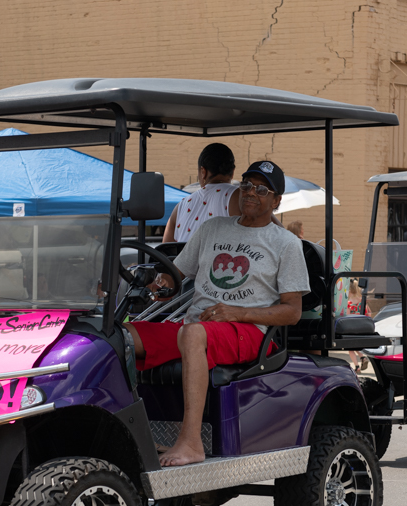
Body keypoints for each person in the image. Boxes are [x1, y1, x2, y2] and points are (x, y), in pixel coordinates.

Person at [130, 160, 309, 467]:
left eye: (262, 190)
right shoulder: (213, 228)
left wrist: (238, 313)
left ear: (276, 201)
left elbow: (292, 312)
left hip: (250, 331)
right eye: (247, 185)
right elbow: (175, 275)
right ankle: (130, 432)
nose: (251, 193)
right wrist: (156, 283)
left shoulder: (286, 244)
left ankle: (191, 442)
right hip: (198, 325)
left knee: (192, 334)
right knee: (120, 336)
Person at [163, 143, 241, 243]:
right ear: (233, 172)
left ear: (203, 171)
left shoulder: (180, 206)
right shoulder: (240, 196)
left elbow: (166, 248)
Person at [345, 279, 370, 373]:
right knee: (354, 345)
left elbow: (347, 316)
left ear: (349, 291)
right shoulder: (362, 301)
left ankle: (357, 366)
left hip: (352, 327)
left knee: (350, 348)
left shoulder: (349, 303)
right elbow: (369, 313)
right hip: (361, 326)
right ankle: (362, 357)